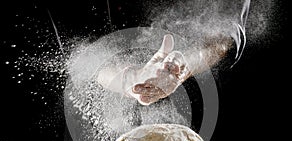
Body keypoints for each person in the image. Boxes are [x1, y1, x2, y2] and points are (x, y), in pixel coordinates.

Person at [97, 34, 232, 105]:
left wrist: (186, 64)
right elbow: (94, 68)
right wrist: (131, 80)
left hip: (209, 113)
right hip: (114, 136)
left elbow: (225, 41)